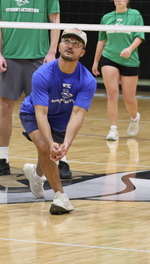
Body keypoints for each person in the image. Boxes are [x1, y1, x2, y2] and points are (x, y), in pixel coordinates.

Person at [0, 0, 63, 178]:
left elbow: (55, 20)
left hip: (38, 58)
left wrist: (52, 52)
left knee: (46, 110)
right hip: (10, 57)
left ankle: (59, 158)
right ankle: (3, 159)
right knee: (5, 108)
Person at [22, 27, 96, 215]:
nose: (70, 46)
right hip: (33, 113)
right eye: (67, 41)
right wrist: (50, 142)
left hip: (63, 117)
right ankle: (60, 196)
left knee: (49, 151)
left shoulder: (87, 80)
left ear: (83, 52)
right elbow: (41, 113)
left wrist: (66, 143)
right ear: (59, 46)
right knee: (45, 147)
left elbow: (78, 113)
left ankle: (36, 174)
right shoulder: (42, 74)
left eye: (76, 44)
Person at [91, 0, 145, 141]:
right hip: (109, 58)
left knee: (129, 98)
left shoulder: (135, 15)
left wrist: (129, 49)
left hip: (130, 60)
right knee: (112, 95)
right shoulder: (107, 18)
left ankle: (134, 118)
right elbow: (101, 41)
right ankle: (113, 129)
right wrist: (96, 61)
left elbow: (139, 36)